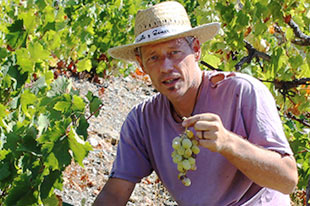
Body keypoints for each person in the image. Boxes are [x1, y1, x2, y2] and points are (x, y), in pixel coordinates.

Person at [94, 1, 298, 205]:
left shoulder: (242, 93)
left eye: (174, 52)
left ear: (197, 50)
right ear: (142, 65)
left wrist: (228, 142)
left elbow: (287, 181)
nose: (165, 67)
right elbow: (114, 194)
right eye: (153, 57)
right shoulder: (142, 120)